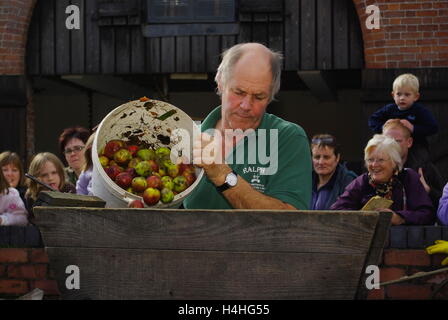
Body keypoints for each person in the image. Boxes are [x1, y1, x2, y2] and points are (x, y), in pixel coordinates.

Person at [183, 42, 312, 210]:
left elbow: (291, 220)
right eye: (239, 92)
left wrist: (222, 173)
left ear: (271, 95)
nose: (246, 105)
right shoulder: (191, 135)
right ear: (220, 82)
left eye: (259, 97)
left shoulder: (288, 138)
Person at [331, 134, 434, 225]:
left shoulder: (408, 178)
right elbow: (336, 210)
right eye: (370, 160)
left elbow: (427, 214)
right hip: (366, 242)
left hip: (404, 242)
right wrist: (362, 216)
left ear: (394, 162)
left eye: (381, 160)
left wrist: (399, 218)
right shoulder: (362, 181)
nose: (374, 165)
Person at [368, 73, 438, 161]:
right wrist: (384, 127)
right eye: (399, 94)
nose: (402, 98)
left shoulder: (419, 111)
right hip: (391, 146)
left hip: (416, 147)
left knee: (420, 160)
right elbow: (372, 120)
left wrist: (413, 128)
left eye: (407, 95)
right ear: (393, 95)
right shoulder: (389, 109)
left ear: (416, 97)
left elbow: (433, 127)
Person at [383, 119, 444, 211]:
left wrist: (428, 191)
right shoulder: (374, 167)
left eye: (397, 141)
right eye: (387, 141)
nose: (392, 145)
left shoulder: (425, 168)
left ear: (409, 142)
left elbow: (444, 205)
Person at [310, 134, 357, 210]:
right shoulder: (305, 179)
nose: (321, 162)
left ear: (337, 158)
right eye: (317, 157)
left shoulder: (349, 182)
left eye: (326, 157)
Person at [25, 152, 76, 220]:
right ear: (36, 178)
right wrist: (43, 199)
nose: (50, 178)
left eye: (54, 173)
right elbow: (33, 219)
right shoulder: (31, 195)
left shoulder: (69, 189)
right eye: (44, 175)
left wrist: (59, 199)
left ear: (60, 173)